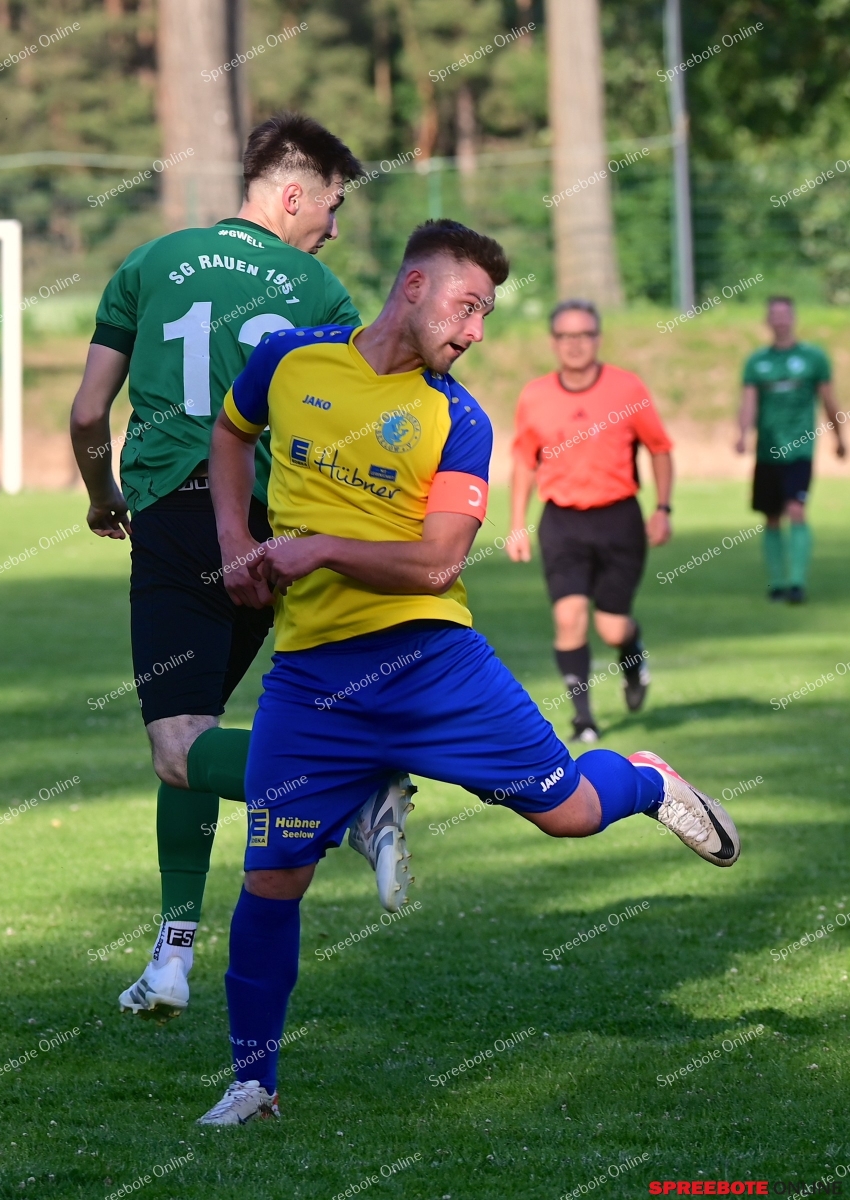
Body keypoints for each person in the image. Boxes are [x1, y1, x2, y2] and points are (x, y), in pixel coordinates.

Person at [200, 219, 740, 1125]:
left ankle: (645, 780)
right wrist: (234, 540)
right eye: (468, 305)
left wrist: (316, 548)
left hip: (431, 663)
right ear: (414, 286)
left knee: (570, 813)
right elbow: (229, 433)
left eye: (487, 313)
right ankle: (254, 1084)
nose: (476, 330)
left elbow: (437, 563)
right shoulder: (289, 360)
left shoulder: (459, 417)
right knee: (272, 877)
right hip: (311, 679)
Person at [70, 113, 415, 1024]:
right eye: (332, 206)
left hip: (180, 517)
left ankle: (354, 795)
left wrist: (103, 496)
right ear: (292, 194)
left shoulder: (150, 262)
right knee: (193, 739)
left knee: (179, 746)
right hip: (274, 526)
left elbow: (87, 411)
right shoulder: (324, 292)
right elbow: (346, 424)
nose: (333, 227)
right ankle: (171, 957)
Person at [506, 299, 674, 743]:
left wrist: (663, 509)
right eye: (566, 336)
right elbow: (523, 461)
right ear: (553, 342)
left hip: (618, 519)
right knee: (569, 618)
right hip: (562, 522)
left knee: (612, 627)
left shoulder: (626, 388)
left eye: (584, 335)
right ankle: (583, 719)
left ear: (598, 339)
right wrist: (517, 524)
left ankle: (632, 654)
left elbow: (659, 448)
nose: (575, 344)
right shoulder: (535, 395)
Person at [736, 295, 843, 603]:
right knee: (771, 516)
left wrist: (839, 436)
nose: (780, 320)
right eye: (775, 315)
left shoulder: (813, 358)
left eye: (785, 314)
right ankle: (776, 583)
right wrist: (742, 433)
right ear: (767, 320)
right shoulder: (757, 362)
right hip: (768, 450)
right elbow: (749, 401)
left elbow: (829, 400)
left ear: (793, 318)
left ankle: (797, 582)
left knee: (796, 509)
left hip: (800, 450)